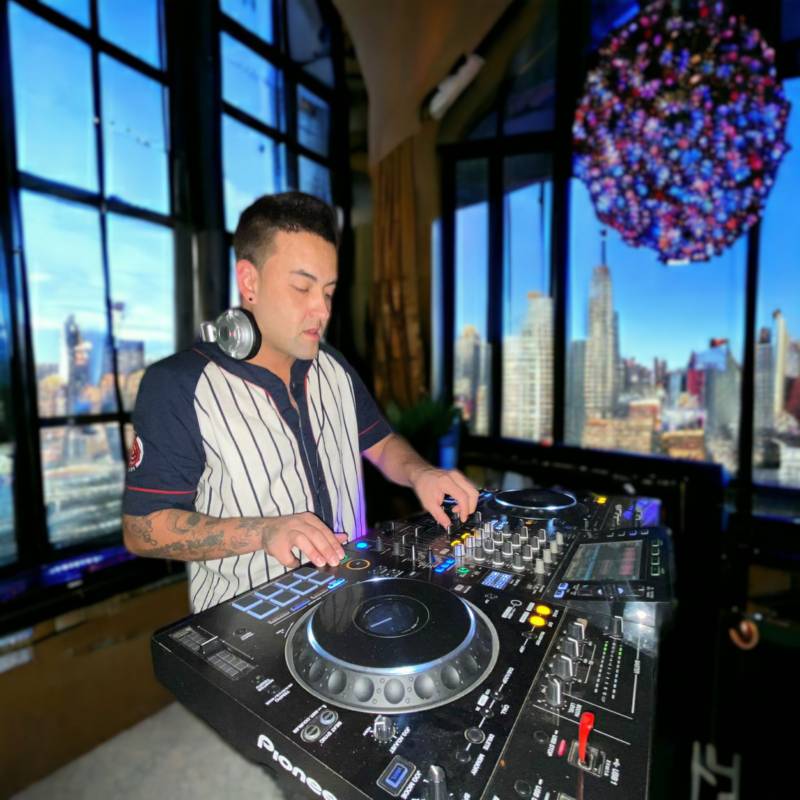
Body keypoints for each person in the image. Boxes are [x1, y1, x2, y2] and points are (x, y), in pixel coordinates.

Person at [122, 191, 479, 613]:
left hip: (349, 608)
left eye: (328, 291)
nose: (321, 309)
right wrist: (264, 532)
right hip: (247, 627)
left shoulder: (334, 367)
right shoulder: (178, 385)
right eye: (302, 287)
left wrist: (421, 474)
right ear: (249, 282)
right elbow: (141, 529)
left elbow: (381, 444)